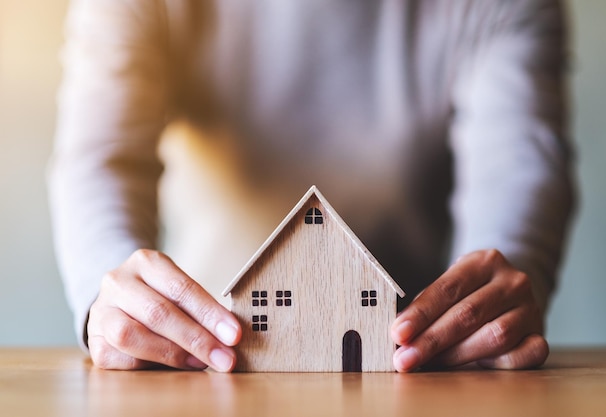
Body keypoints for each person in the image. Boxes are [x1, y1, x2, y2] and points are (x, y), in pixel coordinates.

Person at [48, 0, 576, 373]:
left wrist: (490, 309)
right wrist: (108, 295)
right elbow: (100, 158)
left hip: (416, 364)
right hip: (208, 359)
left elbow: (517, 167)